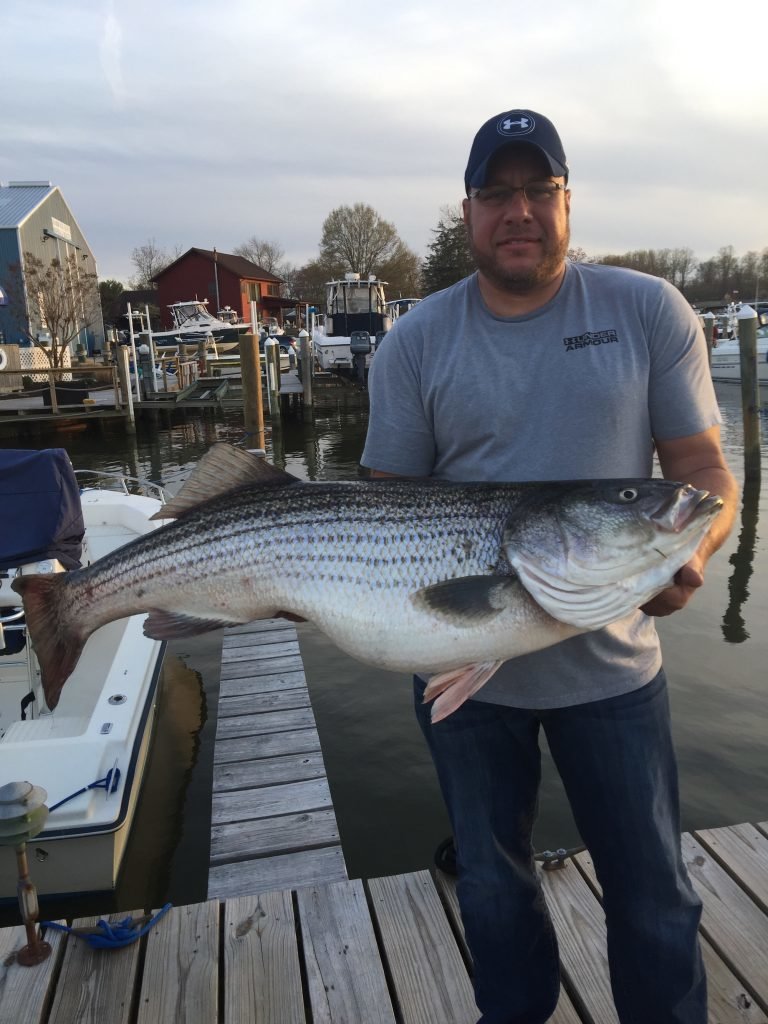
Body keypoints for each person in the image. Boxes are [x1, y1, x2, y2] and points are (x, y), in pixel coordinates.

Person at [360, 108, 738, 1024]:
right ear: (468, 211)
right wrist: (310, 589)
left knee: (655, 896)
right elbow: (380, 510)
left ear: (568, 202)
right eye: (498, 193)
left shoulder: (647, 311)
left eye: (539, 190)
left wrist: (695, 546)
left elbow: (699, 475)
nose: (518, 210)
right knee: (491, 894)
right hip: (463, 672)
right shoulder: (416, 341)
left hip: (611, 664)